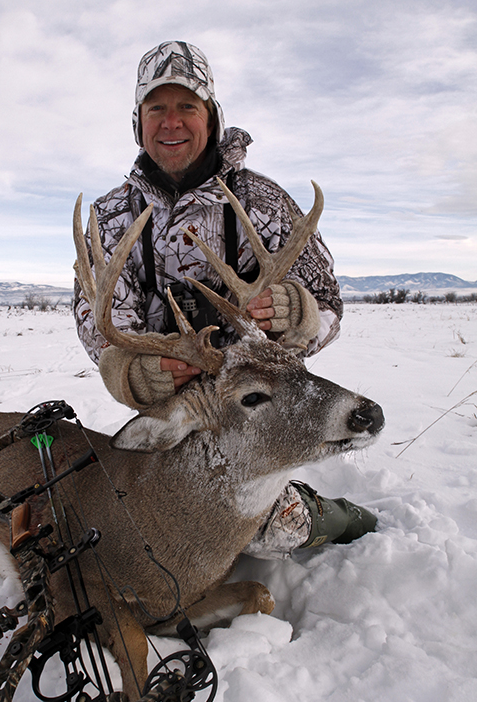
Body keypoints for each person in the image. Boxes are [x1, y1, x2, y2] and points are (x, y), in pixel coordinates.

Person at [74, 40, 376, 557]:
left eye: (187, 106)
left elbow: (327, 306)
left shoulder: (263, 200)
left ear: (210, 117)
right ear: (138, 121)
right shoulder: (108, 217)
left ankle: (336, 517)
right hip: (179, 409)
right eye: (157, 108)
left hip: (258, 410)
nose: (171, 122)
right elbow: (97, 320)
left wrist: (302, 315)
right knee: (136, 527)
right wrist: (127, 371)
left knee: (274, 530)